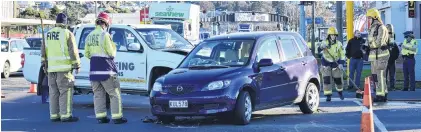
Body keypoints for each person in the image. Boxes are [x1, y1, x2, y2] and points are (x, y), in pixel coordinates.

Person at [84, 12, 127, 124]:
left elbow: (87, 54)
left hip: (94, 71)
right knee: (114, 93)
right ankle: (117, 117)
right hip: (107, 70)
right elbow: (112, 53)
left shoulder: (89, 35)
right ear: (106, 23)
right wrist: (113, 45)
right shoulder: (105, 35)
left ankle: (101, 117)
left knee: (98, 95)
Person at [41, 13, 81, 122]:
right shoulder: (67, 33)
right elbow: (73, 51)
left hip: (51, 69)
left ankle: (54, 115)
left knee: (53, 93)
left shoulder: (48, 34)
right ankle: (66, 115)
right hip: (64, 69)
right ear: (65, 23)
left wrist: (44, 65)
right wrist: (77, 65)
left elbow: (43, 52)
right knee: (65, 92)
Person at [365, 8, 390, 102]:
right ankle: (383, 92)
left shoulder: (381, 28)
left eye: (369, 18)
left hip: (381, 55)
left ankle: (381, 95)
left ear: (375, 17)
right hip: (374, 56)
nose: (368, 20)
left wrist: (370, 46)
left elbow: (379, 42)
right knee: (375, 76)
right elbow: (370, 40)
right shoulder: (371, 28)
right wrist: (366, 46)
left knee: (380, 75)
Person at [319, 27, 346, 102]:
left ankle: (340, 92)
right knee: (327, 79)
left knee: (338, 79)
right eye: (332, 35)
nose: (333, 36)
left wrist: (341, 63)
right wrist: (322, 47)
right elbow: (319, 49)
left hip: (336, 63)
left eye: (334, 35)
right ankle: (328, 95)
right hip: (326, 63)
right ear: (329, 35)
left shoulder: (339, 44)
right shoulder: (325, 42)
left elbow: (343, 54)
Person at [385, 24, 400, 91]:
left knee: (392, 75)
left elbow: (397, 52)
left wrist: (394, 58)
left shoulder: (393, 43)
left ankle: (392, 86)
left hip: (392, 61)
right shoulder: (384, 43)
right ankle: (384, 86)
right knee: (384, 75)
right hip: (385, 61)